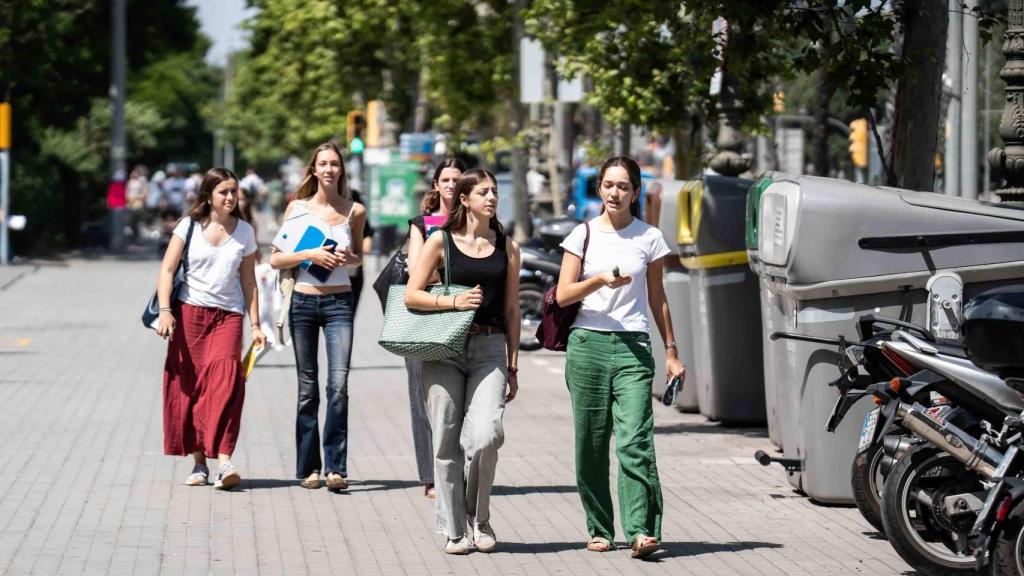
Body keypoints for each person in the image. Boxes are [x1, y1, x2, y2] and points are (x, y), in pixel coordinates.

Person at [555, 156, 686, 559]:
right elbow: (562, 294)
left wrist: (671, 352)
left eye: (623, 186)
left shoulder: (650, 238)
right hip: (587, 346)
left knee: (635, 441)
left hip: (633, 348)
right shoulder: (583, 235)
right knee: (591, 443)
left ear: (635, 192)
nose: (615, 193)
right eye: (609, 185)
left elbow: (657, 298)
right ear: (600, 189)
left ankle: (641, 530)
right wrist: (598, 280)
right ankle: (599, 527)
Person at [405, 168, 521, 555]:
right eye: (483, 192)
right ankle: (455, 530)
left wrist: (514, 364)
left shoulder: (508, 246)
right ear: (466, 199)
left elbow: (511, 310)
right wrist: (451, 301)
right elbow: (411, 295)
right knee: (446, 441)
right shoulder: (440, 241)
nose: (491, 198)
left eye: (495, 192)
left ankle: (479, 516)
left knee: (488, 435)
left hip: (490, 348)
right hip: (445, 348)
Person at [155, 167, 266, 491]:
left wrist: (256, 324)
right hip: (189, 315)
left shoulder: (244, 231)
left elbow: (248, 281)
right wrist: (165, 312)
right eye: (224, 192)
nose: (231, 197)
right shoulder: (188, 226)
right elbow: (167, 269)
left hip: (227, 317)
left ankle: (224, 459)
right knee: (191, 389)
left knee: (226, 384)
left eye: (234, 191)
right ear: (209, 196)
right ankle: (199, 463)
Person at [270, 142, 365, 492]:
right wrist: (308, 252)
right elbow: (276, 259)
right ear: (313, 170)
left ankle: (335, 467)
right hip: (304, 304)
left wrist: (345, 257)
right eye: (322, 164)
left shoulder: (355, 210)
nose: (329, 170)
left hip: (340, 303)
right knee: (308, 388)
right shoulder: (296, 208)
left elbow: (357, 258)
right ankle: (309, 468)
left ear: (341, 170)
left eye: (334, 164)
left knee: (338, 386)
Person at [404, 158, 466, 500]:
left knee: (459, 398)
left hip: (463, 317)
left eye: (458, 179)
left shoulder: (476, 223)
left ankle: (457, 469)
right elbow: (417, 272)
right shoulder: (422, 224)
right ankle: (430, 475)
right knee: (421, 395)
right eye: (445, 179)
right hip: (423, 316)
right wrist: (450, 269)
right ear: (435, 184)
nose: (451, 184)